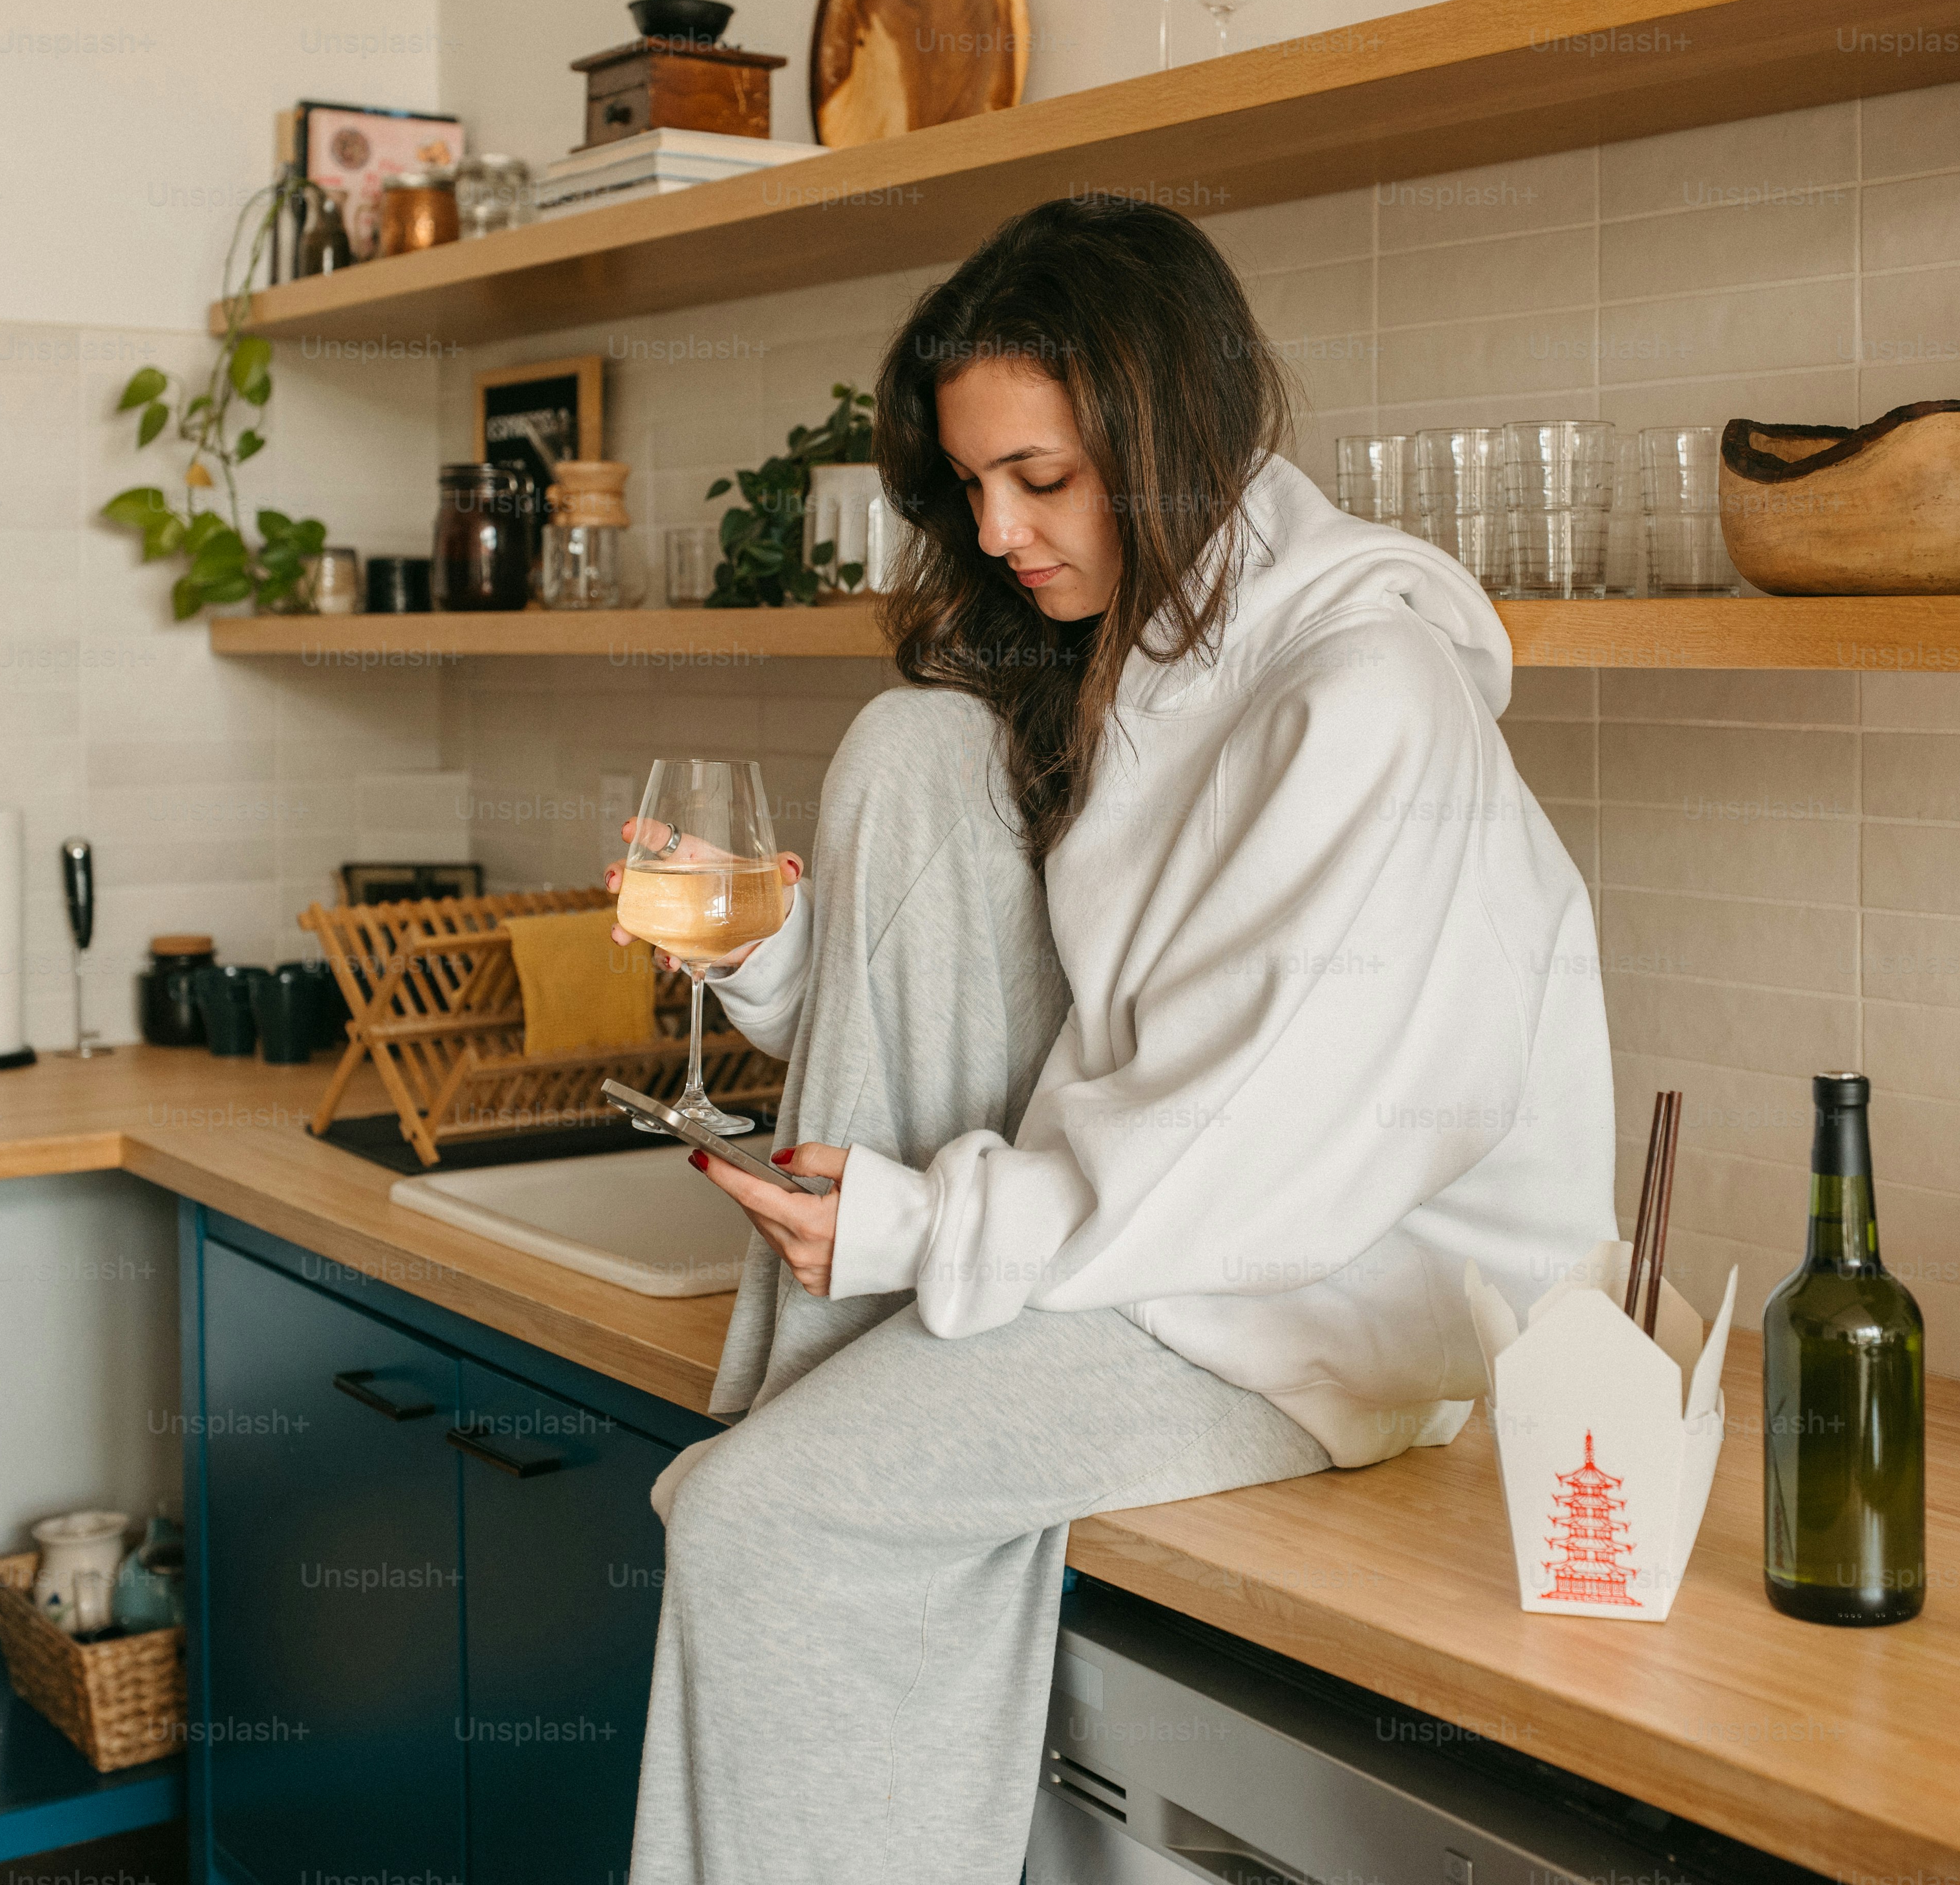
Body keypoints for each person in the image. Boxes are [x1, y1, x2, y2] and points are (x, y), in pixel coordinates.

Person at [618, 194, 1613, 1884]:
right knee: (916, 743)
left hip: (1329, 1301)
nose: (1000, 533)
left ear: (1173, 432)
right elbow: (1084, 1018)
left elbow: (1271, 1150)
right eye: (975, 487)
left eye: (1044, 480)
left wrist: (924, 1228)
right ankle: (838, 1377)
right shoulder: (1136, 658)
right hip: (1150, 1235)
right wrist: (783, 954)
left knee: (752, 1516)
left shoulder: (1368, 693)